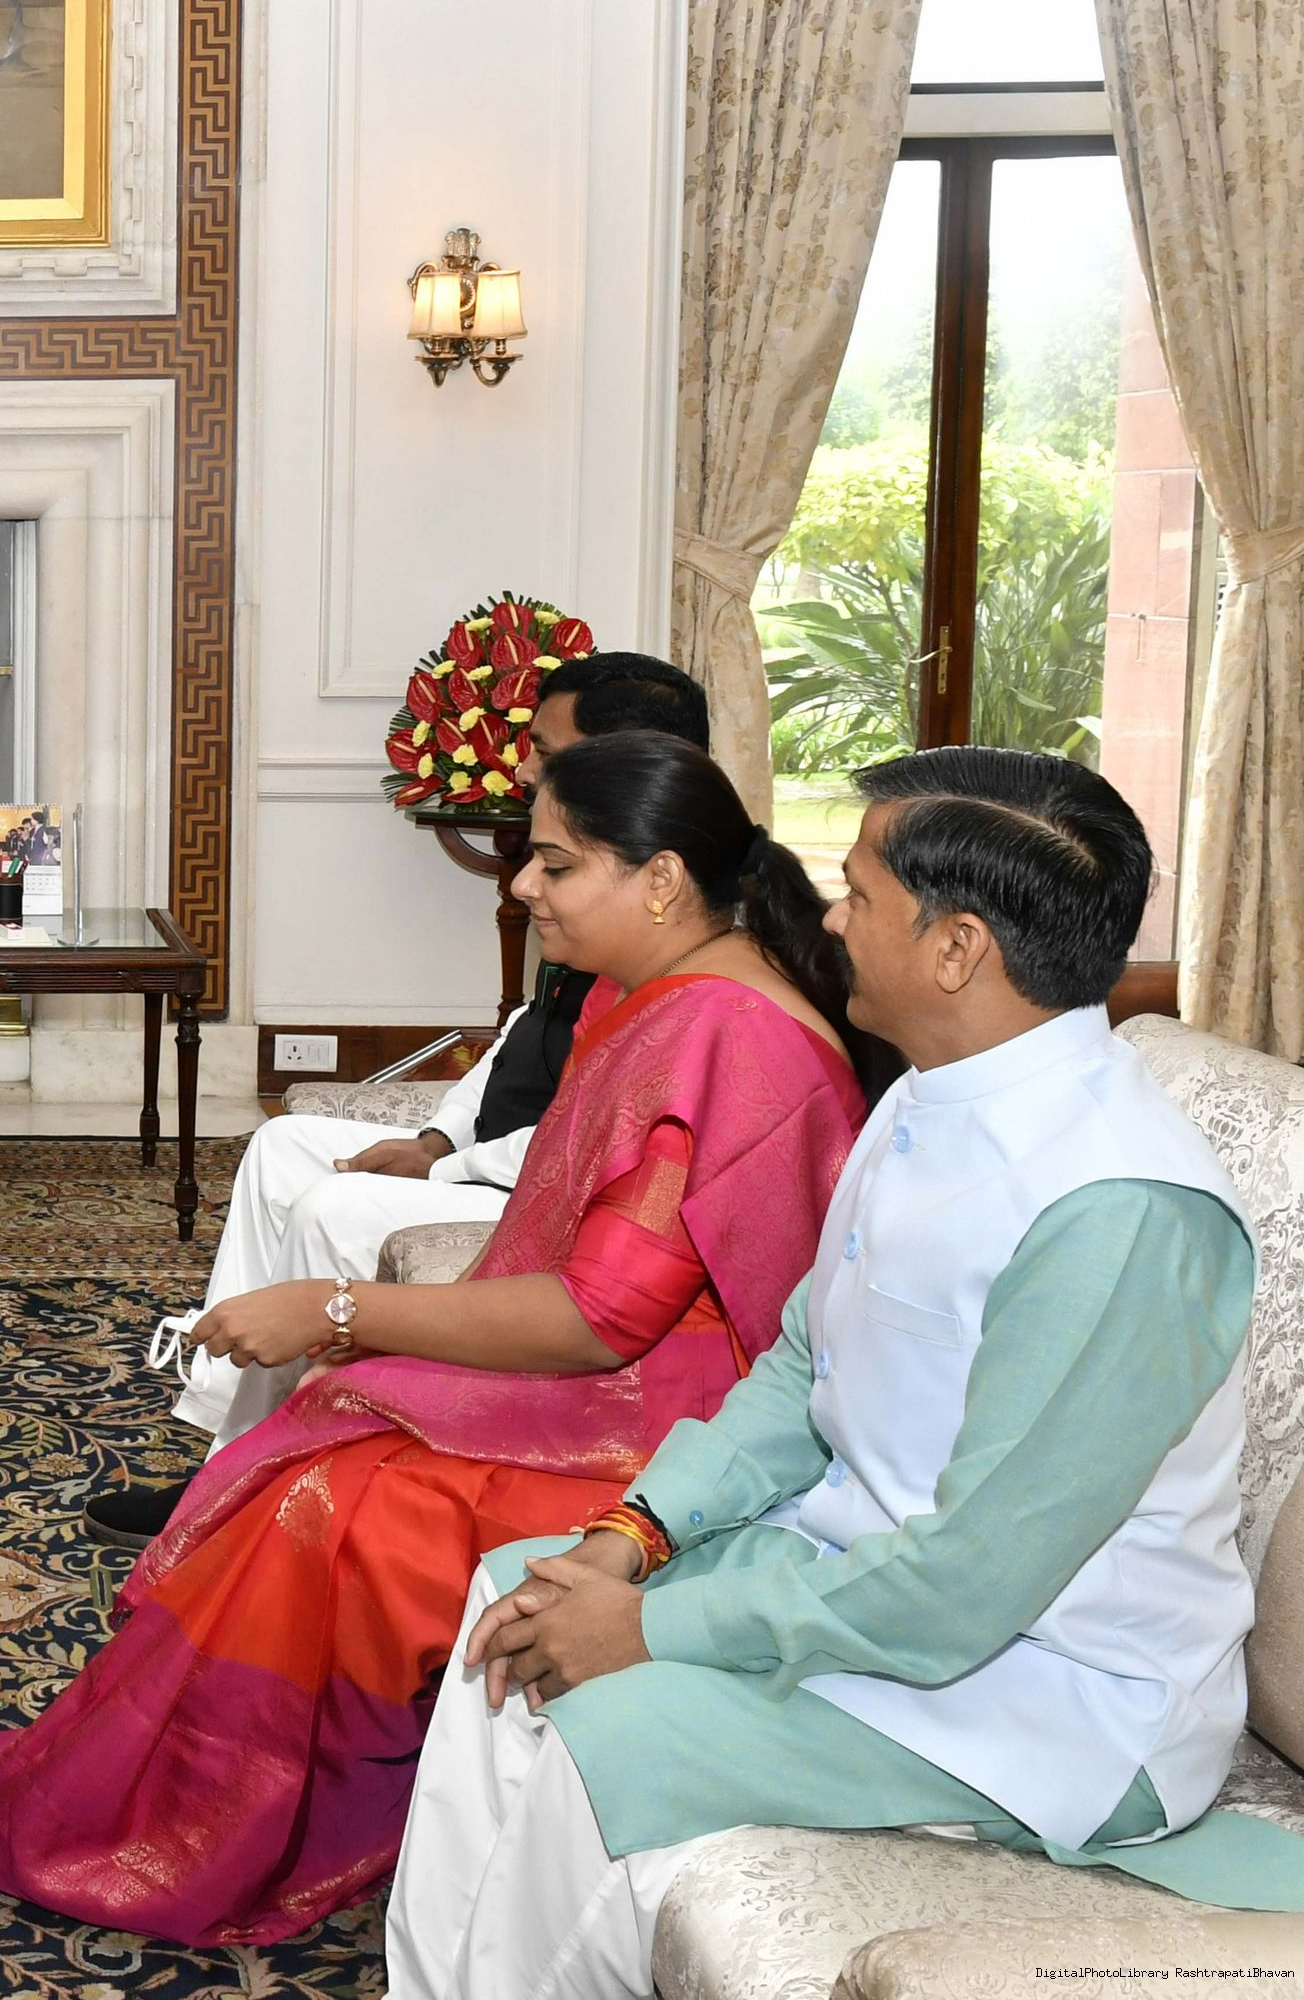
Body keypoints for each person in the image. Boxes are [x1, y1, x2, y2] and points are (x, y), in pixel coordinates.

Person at [0, 731, 877, 1946]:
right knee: (321, 1434)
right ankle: (128, 1788)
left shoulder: (723, 1029)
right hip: (638, 1381)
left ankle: (200, 1829)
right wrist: (365, 1335)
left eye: (554, 863)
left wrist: (339, 1307)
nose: (522, 885)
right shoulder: (673, 995)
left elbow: (597, 1317)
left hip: (671, 1424)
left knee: (331, 1501)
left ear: (662, 881)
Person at [390, 746, 1304, 2000]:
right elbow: (803, 1363)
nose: (827, 919)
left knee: (599, 1721)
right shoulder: (929, 1096)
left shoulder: (1118, 1208)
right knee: (521, 1597)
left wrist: (648, 1629)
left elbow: (963, 1587)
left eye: (860, 895)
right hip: (865, 1589)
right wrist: (633, 1535)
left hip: (1046, 1692)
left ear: (956, 948)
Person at [85, 650, 714, 1545]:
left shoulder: (658, 920)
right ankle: (227, 1429)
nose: (523, 768)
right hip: (484, 1154)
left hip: (532, 1184)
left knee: (331, 1204)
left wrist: (450, 1168)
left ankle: (245, 1480)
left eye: (544, 749)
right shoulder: (588, 885)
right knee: (282, 1146)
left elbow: (591, 1138)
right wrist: (432, 1139)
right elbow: (518, 1035)